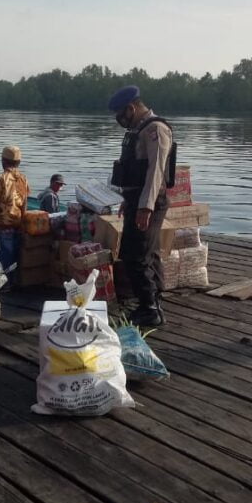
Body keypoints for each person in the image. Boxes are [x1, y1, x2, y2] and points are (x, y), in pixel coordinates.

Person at [108, 85, 175, 327]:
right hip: (137, 200)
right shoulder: (139, 130)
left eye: (120, 114)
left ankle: (149, 308)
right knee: (149, 252)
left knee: (134, 254)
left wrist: (145, 208)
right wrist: (129, 201)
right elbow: (133, 173)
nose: (119, 120)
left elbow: (155, 173)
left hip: (150, 202)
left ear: (131, 108)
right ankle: (154, 301)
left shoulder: (155, 130)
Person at [0, 146, 30, 289]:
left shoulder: (0, 178)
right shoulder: (23, 178)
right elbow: (25, 202)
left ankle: (4, 285)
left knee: (5, 254)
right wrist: (23, 221)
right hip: (18, 221)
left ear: (3, 161)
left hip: (4, 222)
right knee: (15, 253)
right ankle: (14, 282)